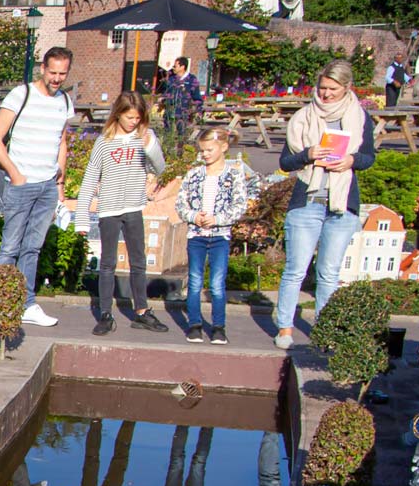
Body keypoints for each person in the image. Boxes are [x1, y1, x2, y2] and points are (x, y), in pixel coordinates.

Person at [274, 59, 376, 350]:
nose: (326, 94)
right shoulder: (304, 117)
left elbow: (369, 156)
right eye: (322, 88)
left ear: (346, 88)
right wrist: (309, 153)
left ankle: (324, 332)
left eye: (332, 89)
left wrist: (352, 160)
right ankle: (284, 329)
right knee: (296, 269)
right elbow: (285, 162)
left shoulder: (359, 117)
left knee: (329, 272)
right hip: (309, 198)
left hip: (341, 201)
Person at [0, 46, 75, 328]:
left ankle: (27, 303)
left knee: (32, 248)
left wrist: (59, 184)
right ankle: (0, 303)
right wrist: (15, 174)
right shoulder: (21, 94)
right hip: (22, 183)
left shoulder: (64, 101)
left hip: (48, 185)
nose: (57, 78)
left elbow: (62, 142)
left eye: (63, 73)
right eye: (53, 72)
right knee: (10, 246)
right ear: (42, 69)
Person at [75, 92, 170, 336]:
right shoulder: (105, 142)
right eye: (129, 117)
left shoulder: (143, 138)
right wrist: (82, 216)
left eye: (137, 118)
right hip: (109, 209)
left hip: (134, 207)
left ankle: (141, 311)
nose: (133, 123)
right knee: (107, 263)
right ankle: (105, 313)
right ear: (118, 114)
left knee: (139, 261)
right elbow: (89, 180)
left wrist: (150, 145)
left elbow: (159, 167)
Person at [174, 126, 256, 343]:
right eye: (202, 151)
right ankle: (194, 324)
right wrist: (193, 216)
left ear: (223, 147)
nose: (205, 154)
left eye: (209, 150)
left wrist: (218, 219)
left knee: (217, 283)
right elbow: (181, 203)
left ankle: (218, 326)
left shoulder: (233, 174)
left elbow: (240, 205)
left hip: (220, 236)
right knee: (194, 280)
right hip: (196, 236)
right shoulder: (194, 174)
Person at [163, 57, 203, 135]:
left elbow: (197, 96)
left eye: (175, 66)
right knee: (167, 135)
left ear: (182, 67)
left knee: (181, 136)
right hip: (169, 112)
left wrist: (199, 110)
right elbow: (166, 93)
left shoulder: (191, 79)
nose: (173, 68)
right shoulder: (171, 79)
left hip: (182, 113)